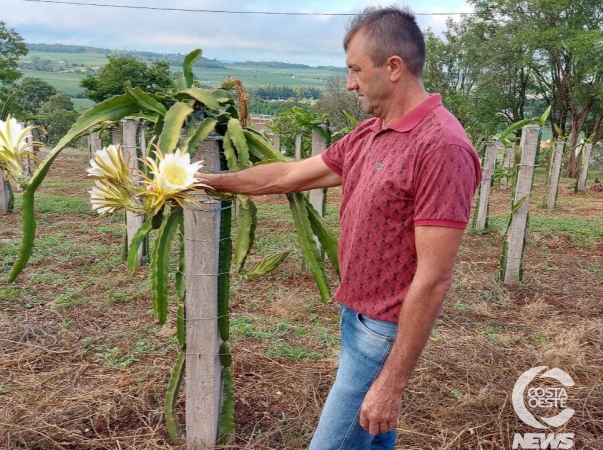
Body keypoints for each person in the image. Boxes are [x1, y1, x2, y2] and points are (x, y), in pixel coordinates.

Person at [197, 6, 481, 449]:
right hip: (356, 315)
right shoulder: (371, 133)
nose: (350, 83)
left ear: (392, 68)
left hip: (384, 331)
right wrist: (207, 182)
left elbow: (434, 277)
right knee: (371, 441)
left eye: (354, 70)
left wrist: (392, 383)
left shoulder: (441, 147)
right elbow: (288, 175)